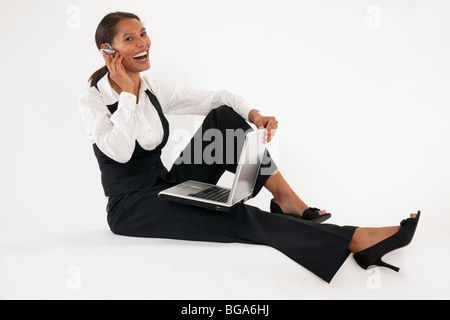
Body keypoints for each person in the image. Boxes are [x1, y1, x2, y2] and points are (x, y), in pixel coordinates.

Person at [77, 12, 421, 283]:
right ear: (108, 51)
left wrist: (254, 114)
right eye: (130, 38)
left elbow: (218, 99)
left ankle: (288, 201)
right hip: (131, 207)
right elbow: (119, 152)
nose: (143, 43)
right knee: (229, 212)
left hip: (164, 183)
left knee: (224, 118)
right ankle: (356, 240)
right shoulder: (92, 100)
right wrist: (125, 94)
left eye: (143, 33)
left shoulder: (152, 87)